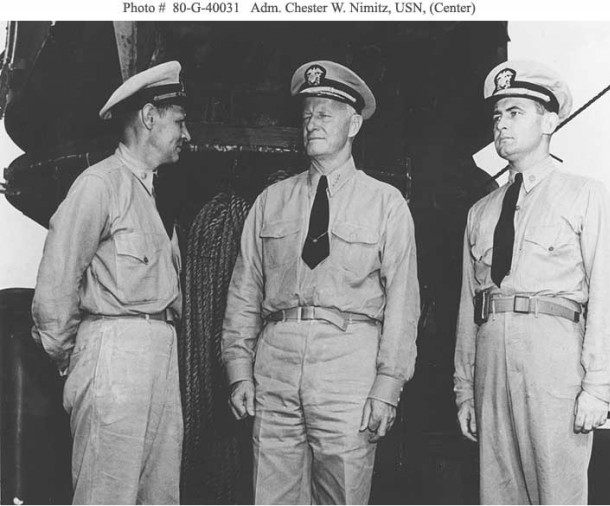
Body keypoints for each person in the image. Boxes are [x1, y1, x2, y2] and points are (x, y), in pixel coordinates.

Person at [222, 60, 420, 504]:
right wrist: (239, 372)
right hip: (275, 366)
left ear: (353, 124)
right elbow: (244, 293)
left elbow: (404, 304)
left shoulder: (386, 204)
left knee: (343, 496)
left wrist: (388, 387)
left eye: (325, 114)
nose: (312, 123)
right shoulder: (270, 202)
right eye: (307, 114)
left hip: (348, 367)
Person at [454, 59, 610, 504]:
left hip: (554, 363)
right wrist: (465, 390)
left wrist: (598, 387)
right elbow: (468, 308)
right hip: (492, 363)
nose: (501, 125)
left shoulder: (584, 194)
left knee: (557, 494)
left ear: (550, 121)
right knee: (498, 494)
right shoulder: (482, 211)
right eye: (497, 115)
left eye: (515, 112)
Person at [31, 61, 191, 504]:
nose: (186, 133)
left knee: (159, 496)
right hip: (113, 352)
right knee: (107, 494)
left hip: (161, 352)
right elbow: (56, 285)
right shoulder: (99, 185)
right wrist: (76, 356)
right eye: (179, 121)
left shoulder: (157, 198)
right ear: (149, 117)